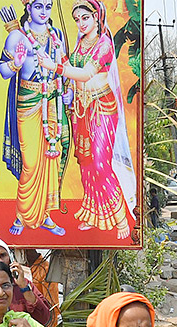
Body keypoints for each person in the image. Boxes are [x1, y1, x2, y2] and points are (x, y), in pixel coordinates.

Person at [55, 0, 136, 237]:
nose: (80, 24)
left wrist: (56, 67)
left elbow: (86, 73)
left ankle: (121, 219)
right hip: (81, 108)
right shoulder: (81, 43)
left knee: (101, 164)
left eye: (85, 18)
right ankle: (94, 213)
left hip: (101, 107)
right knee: (86, 163)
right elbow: (73, 70)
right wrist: (62, 61)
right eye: (77, 20)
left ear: (96, 17)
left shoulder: (104, 44)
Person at [0, 0, 71, 236]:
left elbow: (64, 65)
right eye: (39, 6)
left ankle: (46, 215)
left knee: (50, 160)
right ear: (28, 7)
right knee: (30, 163)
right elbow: (3, 70)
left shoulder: (56, 34)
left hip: (53, 103)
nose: (44, 12)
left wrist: (68, 89)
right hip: (28, 102)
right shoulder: (17, 37)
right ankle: (23, 215)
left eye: (48, 7)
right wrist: (15, 64)